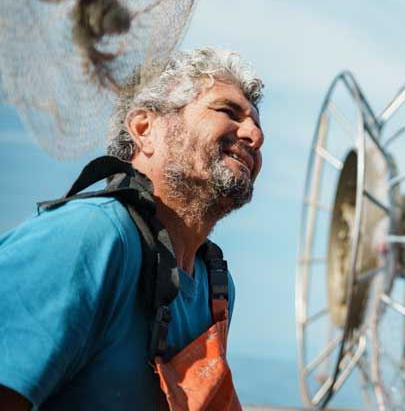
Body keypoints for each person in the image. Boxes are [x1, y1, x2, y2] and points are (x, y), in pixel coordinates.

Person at [0, 47, 264, 410]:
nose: (254, 135)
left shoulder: (216, 286)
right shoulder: (90, 238)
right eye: (228, 111)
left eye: (256, 123)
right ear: (145, 129)